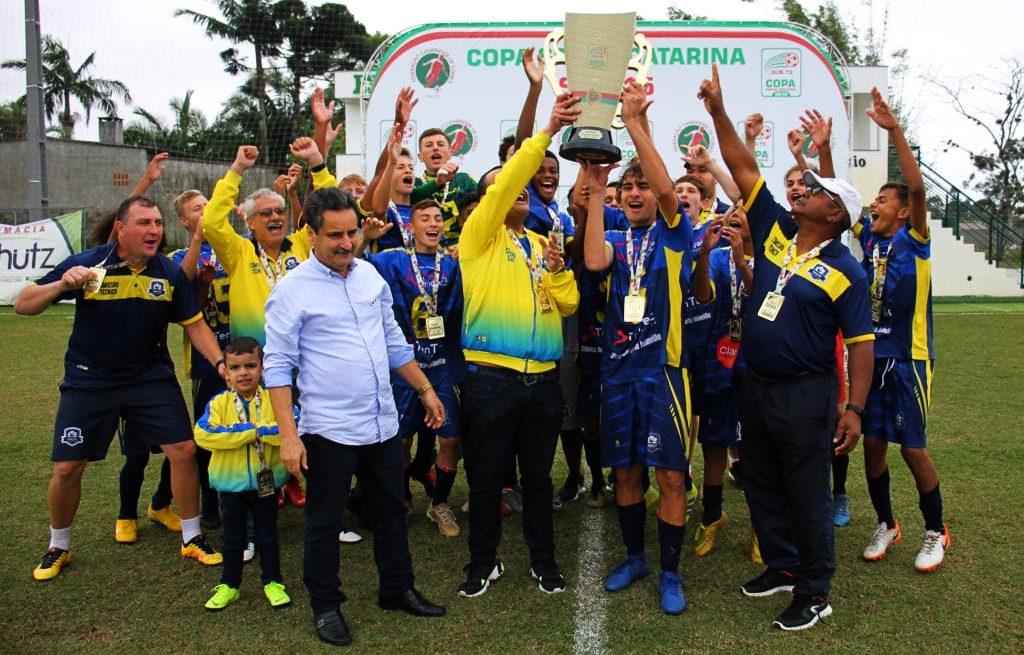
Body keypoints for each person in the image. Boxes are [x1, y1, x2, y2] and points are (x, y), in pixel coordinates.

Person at [699, 63, 874, 631]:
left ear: (836, 215)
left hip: (806, 395)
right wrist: (719, 111)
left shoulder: (847, 270)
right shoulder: (775, 230)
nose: (803, 190)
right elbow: (744, 167)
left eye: (817, 192)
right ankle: (782, 566)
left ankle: (815, 590)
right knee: (762, 480)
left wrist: (855, 408)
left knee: (807, 493)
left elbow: (863, 346)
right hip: (757, 385)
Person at [264, 186, 446, 647]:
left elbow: (394, 343)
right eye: (335, 236)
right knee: (324, 521)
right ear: (312, 233)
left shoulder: (369, 277)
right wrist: (289, 436)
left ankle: (397, 588)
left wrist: (423, 389)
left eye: (351, 233)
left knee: (392, 509)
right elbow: (277, 366)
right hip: (327, 429)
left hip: (382, 422)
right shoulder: (291, 291)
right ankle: (326, 606)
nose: (347, 243)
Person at [16, 195, 226, 580]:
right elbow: (24, 304)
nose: (154, 231)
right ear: (121, 228)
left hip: (149, 378)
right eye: (145, 223)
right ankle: (58, 546)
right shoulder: (89, 264)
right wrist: (62, 284)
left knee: (183, 450)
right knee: (67, 467)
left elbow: (195, 324)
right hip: (90, 379)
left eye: (158, 223)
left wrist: (220, 362)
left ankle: (192, 537)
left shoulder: (168, 271)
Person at [583, 81, 702, 616]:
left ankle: (671, 572)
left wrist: (633, 123)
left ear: (656, 194)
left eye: (641, 185)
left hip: (665, 372)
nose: (634, 193)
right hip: (619, 373)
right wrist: (595, 187)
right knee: (626, 472)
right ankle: (636, 557)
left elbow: (672, 196)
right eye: (626, 187)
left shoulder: (677, 236)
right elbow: (590, 263)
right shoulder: (613, 237)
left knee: (671, 475)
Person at [456, 90, 580, 598]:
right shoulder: (478, 237)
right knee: (486, 481)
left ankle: (543, 563)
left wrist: (555, 271)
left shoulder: (539, 243)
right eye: (508, 187)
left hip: (543, 383)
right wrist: (546, 129)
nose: (521, 190)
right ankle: (482, 564)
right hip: (491, 380)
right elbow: (507, 178)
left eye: (525, 187)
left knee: (537, 482)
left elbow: (568, 304)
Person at [856, 88, 949, 572]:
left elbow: (917, 190)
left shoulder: (916, 241)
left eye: (883, 201)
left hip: (910, 358)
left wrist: (894, 133)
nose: (875, 205)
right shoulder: (869, 239)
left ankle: (936, 530)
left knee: (912, 447)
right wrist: (821, 150)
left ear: (903, 211)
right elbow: (840, 199)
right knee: (872, 446)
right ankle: (887, 523)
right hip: (875, 357)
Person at [203, 144, 313, 508]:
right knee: (255, 435)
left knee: (310, 430)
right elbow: (212, 222)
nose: (275, 218)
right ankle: (252, 517)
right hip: (256, 363)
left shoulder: (302, 247)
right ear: (249, 222)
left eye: (280, 211)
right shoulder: (238, 252)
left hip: (304, 359)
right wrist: (236, 169)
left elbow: (326, 208)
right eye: (265, 214)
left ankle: (314, 500)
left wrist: (316, 162)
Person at [363, 198, 465, 537]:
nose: (433, 224)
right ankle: (402, 498)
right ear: (412, 226)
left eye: (438, 218)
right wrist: (364, 236)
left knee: (450, 438)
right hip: (404, 371)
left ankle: (439, 503)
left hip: (441, 369)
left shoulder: (453, 263)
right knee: (401, 442)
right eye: (425, 218)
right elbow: (355, 263)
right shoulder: (392, 261)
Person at [195, 337, 297, 611]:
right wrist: (251, 432)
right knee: (232, 537)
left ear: (262, 368)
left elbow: (292, 425)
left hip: (267, 482)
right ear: (225, 371)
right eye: (236, 367)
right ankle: (229, 584)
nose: (244, 373)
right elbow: (204, 434)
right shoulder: (218, 403)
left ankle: (273, 581)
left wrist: (265, 431)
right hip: (230, 485)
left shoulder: (275, 399)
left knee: (267, 534)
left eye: (250, 365)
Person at [690, 208, 755, 558]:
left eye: (742, 216)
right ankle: (712, 516)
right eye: (729, 216)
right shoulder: (715, 257)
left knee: (756, 446)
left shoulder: (774, 257)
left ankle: (762, 527)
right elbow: (702, 296)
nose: (733, 219)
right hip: (717, 362)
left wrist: (743, 260)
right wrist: (703, 256)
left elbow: (759, 297)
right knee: (714, 443)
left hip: (758, 364)